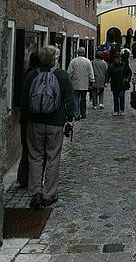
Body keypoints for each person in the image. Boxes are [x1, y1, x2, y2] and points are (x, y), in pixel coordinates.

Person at [20, 46, 74, 208]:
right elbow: (69, 100)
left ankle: (35, 192)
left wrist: (25, 120)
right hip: (55, 123)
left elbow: (24, 99)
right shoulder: (61, 75)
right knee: (53, 158)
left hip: (35, 122)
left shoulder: (31, 75)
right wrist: (69, 119)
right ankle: (49, 194)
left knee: (35, 157)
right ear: (54, 59)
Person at [17, 52, 40, 188]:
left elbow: (23, 96)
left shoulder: (28, 74)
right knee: (36, 150)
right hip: (36, 118)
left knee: (26, 148)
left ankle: (23, 177)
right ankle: (34, 179)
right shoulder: (37, 75)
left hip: (26, 118)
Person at [67, 47, 95, 120]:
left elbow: (69, 73)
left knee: (75, 100)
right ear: (84, 53)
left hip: (75, 84)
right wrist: (92, 81)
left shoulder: (73, 61)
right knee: (83, 100)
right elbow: (91, 72)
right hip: (84, 84)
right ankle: (83, 113)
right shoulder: (87, 61)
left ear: (77, 53)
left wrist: (68, 81)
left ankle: (77, 114)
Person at [107, 51, 132, 116]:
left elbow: (129, 72)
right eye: (116, 58)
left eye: (118, 58)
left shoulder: (124, 64)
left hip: (122, 83)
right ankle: (116, 110)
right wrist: (106, 81)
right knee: (115, 97)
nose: (117, 59)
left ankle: (122, 109)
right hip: (114, 83)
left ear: (120, 58)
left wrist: (127, 79)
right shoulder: (111, 66)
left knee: (121, 96)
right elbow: (108, 74)